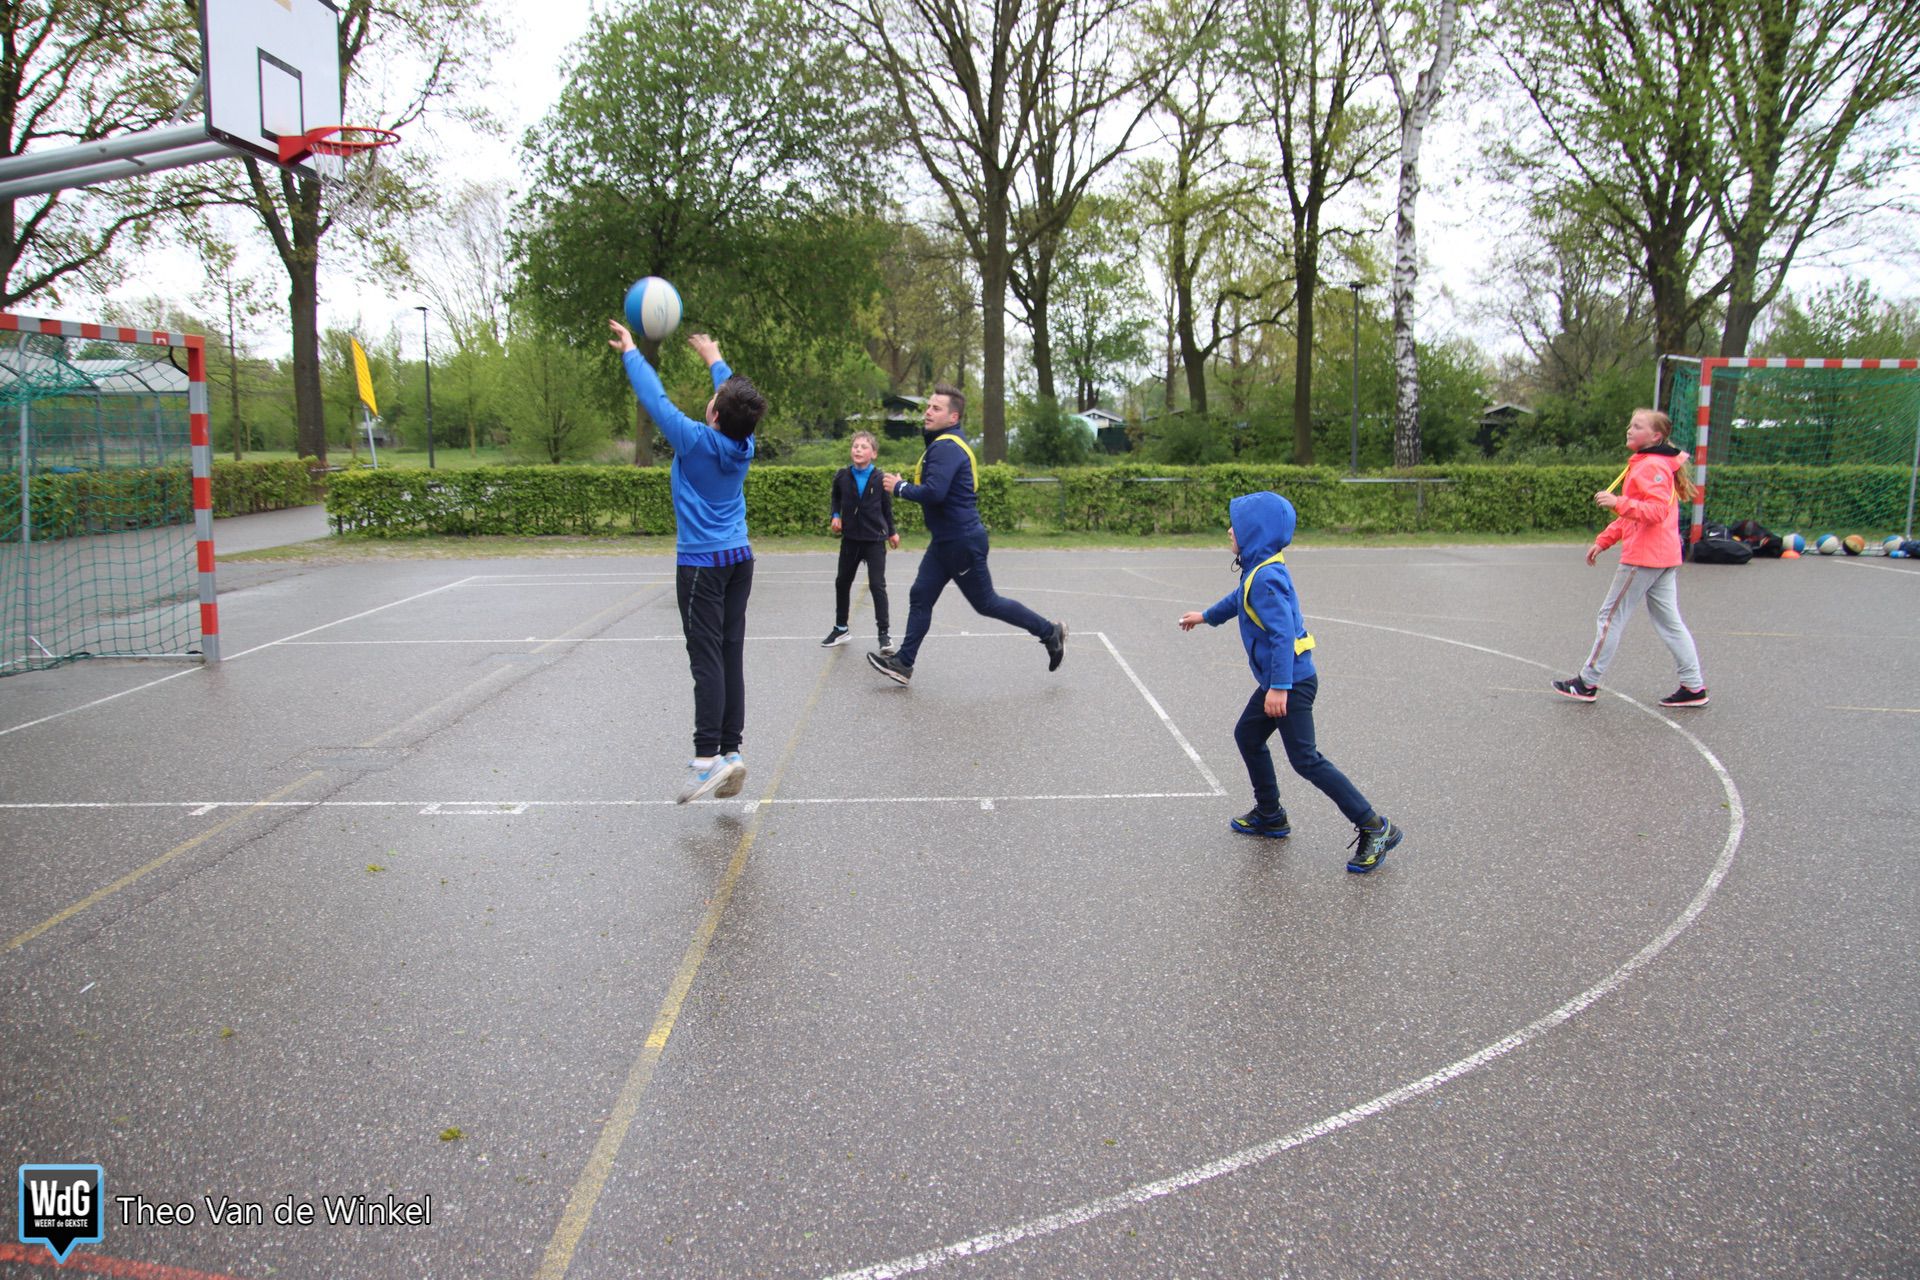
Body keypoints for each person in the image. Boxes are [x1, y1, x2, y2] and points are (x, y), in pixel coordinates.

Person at [1179, 491, 1404, 874]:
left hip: (1291, 683)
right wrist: (1205, 616)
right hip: (1279, 680)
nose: (1229, 529)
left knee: (1306, 760)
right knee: (1248, 736)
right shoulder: (1259, 568)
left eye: (1238, 524)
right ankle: (1270, 813)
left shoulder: (1266, 577)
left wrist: (1279, 688)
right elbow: (1238, 598)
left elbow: (1283, 635)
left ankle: (1375, 826)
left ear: (1256, 532)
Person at [609, 320, 768, 802]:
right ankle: (732, 751)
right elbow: (741, 400)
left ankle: (705, 761)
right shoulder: (745, 444)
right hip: (740, 559)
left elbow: (655, 401)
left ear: (714, 414)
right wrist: (714, 357)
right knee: (729, 654)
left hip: (701, 566)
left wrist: (632, 352)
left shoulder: (696, 440)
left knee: (706, 661)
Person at [866, 384, 1066, 685]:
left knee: (986, 602)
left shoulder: (946, 447)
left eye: (936, 408)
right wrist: (904, 486)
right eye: (928, 406)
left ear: (953, 416)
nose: (928, 412)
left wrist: (900, 488)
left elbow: (935, 492)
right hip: (946, 541)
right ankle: (904, 663)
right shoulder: (944, 444)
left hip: (961, 541)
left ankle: (1050, 631)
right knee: (920, 595)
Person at [1552, 407, 1708, 708]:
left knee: (1609, 617)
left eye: (1637, 426)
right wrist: (1605, 540)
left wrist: (1617, 502)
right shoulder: (1650, 464)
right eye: (1630, 425)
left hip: (1645, 558)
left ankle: (1587, 682)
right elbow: (1636, 515)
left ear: (1655, 436)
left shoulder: (1651, 467)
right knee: (1670, 623)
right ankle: (1693, 686)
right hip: (1663, 556)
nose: (1629, 429)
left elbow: (1654, 512)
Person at [822, 430, 900, 653]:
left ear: (873, 453)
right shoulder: (842, 476)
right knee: (842, 582)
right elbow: (835, 499)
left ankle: (884, 634)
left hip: (875, 540)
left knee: (877, 585)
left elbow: (886, 508)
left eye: (864, 447)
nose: (858, 450)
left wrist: (892, 532)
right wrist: (835, 516)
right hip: (851, 540)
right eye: (855, 446)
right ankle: (841, 628)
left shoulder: (881, 478)